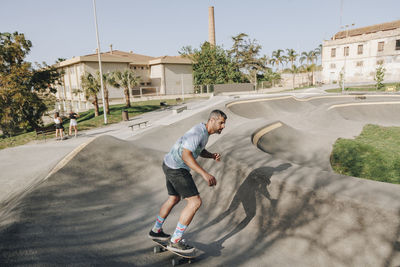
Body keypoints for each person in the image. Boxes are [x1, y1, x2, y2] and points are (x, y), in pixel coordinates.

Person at [148, 109, 227, 253]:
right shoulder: (198, 133)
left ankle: (156, 231)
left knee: (174, 198)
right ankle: (175, 241)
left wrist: (211, 155)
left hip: (169, 164)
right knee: (195, 202)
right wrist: (204, 174)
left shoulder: (204, 132)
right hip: (177, 169)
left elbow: (199, 150)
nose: (223, 126)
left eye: (224, 123)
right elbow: (186, 156)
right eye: (221, 123)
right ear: (212, 120)